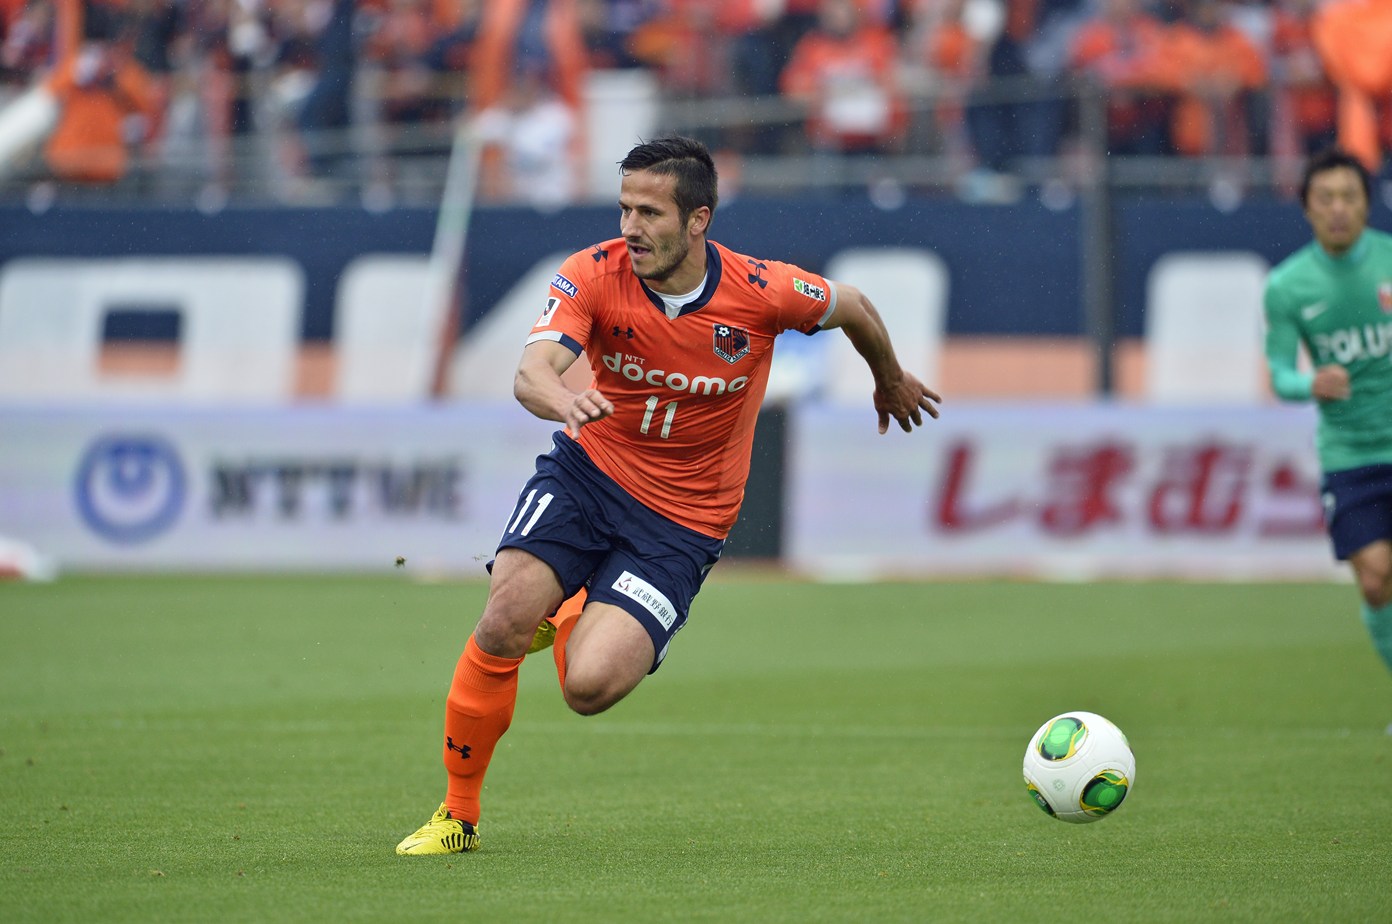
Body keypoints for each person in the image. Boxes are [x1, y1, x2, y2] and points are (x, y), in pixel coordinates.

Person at [395, 135, 942, 855]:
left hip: (683, 523)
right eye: (624, 208)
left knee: (588, 689)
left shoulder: (765, 291)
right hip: (588, 474)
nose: (630, 227)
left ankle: (571, 602)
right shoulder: (592, 274)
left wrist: (889, 378)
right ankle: (457, 817)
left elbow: (856, 306)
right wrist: (564, 400)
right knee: (503, 620)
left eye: (649, 213)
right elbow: (532, 372)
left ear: (697, 220)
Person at [1263, 147, 1392, 726]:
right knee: (1376, 581)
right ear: (1307, 208)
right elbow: (1279, 373)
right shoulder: (1287, 286)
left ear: (1367, 203)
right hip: (1350, 454)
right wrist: (1310, 382)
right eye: (1326, 198)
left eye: (1349, 197)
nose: (1338, 208)